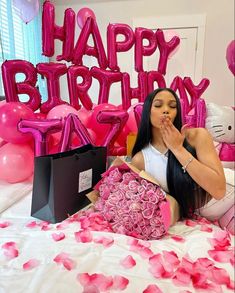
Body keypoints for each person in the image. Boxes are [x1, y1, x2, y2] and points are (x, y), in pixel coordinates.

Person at [131, 87, 228, 221]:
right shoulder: (140, 160)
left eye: (172, 106)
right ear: (148, 112)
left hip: (229, 199)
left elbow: (219, 191)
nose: (166, 110)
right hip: (195, 217)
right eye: (158, 105)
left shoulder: (197, 136)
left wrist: (178, 149)